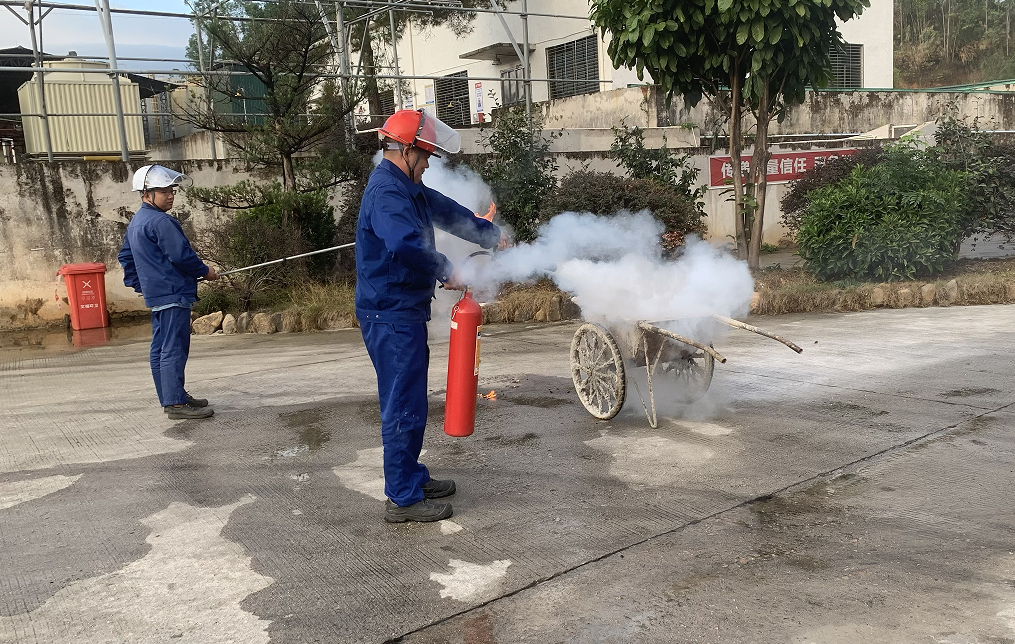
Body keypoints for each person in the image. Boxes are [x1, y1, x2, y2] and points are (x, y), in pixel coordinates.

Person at [357, 109, 503, 523]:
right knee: (403, 402)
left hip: (402, 310)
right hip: (389, 313)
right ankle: (402, 497)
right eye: (424, 157)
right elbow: (404, 244)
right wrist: (446, 268)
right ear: (406, 151)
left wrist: (491, 234)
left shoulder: (409, 186)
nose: (427, 165)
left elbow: (448, 211)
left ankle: (411, 476)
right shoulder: (387, 192)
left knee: (411, 399)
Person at [118, 165, 219, 420]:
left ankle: (173, 396)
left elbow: (126, 258)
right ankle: (175, 403)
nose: (170, 195)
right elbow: (180, 255)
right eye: (163, 191)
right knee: (174, 347)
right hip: (173, 294)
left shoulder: (137, 222)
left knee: (161, 348)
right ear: (146, 194)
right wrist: (205, 271)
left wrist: (143, 286)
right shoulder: (162, 221)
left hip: (158, 295)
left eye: (172, 190)